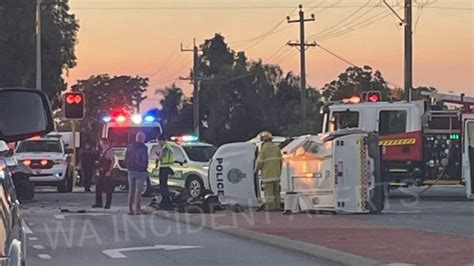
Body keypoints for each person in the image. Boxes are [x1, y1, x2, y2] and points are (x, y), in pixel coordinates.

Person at [255, 131, 283, 211]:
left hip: (267, 175)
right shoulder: (276, 148)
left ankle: (271, 207)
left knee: (269, 193)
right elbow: (280, 161)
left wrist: (255, 169)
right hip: (277, 174)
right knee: (276, 192)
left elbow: (259, 162)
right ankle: (277, 206)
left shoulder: (264, 150)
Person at [124, 132, 149, 215]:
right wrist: (145, 169)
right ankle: (137, 209)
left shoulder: (130, 146)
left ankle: (130, 209)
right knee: (138, 191)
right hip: (141, 171)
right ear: (143, 138)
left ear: (136, 138)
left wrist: (128, 167)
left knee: (131, 191)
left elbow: (126, 158)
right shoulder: (144, 147)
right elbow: (145, 159)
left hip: (131, 170)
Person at [92, 138, 115, 209]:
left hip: (106, 172)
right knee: (98, 187)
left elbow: (112, 161)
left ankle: (108, 204)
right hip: (101, 171)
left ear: (104, 143)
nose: (100, 145)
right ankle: (98, 203)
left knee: (108, 189)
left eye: (101, 143)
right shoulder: (103, 151)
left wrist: (110, 171)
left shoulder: (109, 151)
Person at [156, 135, 174, 209]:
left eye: (158, 141)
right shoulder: (167, 147)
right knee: (163, 185)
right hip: (166, 167)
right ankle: (165, 201)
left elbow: (161, 158)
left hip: (164, 168)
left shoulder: (165, 148)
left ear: (161, 141)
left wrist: (158, 155)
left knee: (163, 186)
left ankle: (166, 201)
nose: (158, 143)